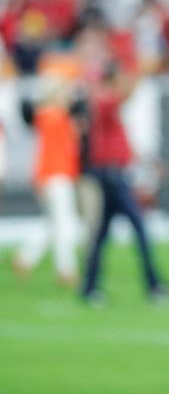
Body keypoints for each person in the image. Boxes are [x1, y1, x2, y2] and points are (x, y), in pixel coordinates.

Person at [80, 63, 168, 304]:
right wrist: (138, 71)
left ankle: (89, 287)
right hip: (112, 174)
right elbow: (127, 92)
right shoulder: (105, 100)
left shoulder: (103, 100)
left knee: (102, 235)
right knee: (138, 227)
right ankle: (153, 285)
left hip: (112, 172)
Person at [13, 76, 83, 285]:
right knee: (65, 224)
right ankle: (66, 269)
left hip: (50, 175)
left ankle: (25, 257)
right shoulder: (54, 115)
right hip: (56, 175)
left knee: (53, 223)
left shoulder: (46, 116)